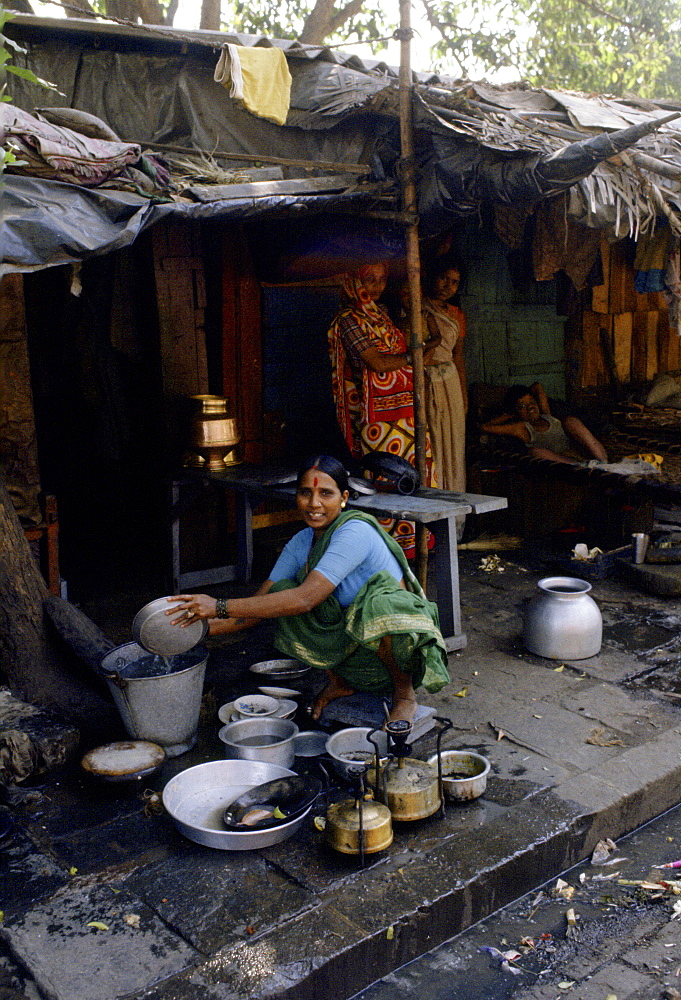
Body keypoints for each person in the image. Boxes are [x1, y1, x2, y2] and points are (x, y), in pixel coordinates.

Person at [167, 455, 449, 725]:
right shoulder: (301, 542)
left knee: (377, 603)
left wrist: (217, 605)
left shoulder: (355, 532)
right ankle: (338, 683)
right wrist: (185, 627)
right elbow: (256, 610)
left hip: (396, 654)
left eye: (326, 493)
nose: (314, 503)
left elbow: (305, 599)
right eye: (305, 493)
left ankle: (404, 695)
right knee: (283, 592)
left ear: (345, 498)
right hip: (355, 656)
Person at [327, 262, 438, 556]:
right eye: (369, 279)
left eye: (380, 280)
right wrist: (415, 357)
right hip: (379, 418)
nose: (375, 287)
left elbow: (398, 355)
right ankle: (385, 553)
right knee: (386, 480)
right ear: (353, 280)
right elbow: (377, 363)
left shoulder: (382, 316)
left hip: (408, 411)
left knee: (415, 478)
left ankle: (415, 550)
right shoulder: (348, 320)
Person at [421, 258, 468, 493]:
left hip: (450, 382)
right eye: (444, 279)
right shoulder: (417, 306)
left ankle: (456, 511)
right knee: (434, 441)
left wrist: (463, 394)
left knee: (454, 444)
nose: (448, 286)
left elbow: (458, 357)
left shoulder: (457, 314)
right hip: (426, 379)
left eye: (455, 283)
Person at [480, 382, 608, 464]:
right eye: (522, 406)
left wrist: (524, 395)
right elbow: (485, 427)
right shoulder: (522, 428)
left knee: (570, 421)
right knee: (534, 452)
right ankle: (580, 467)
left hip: (578, 450)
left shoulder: (546, 414)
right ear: (516, 411)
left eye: (531, 402)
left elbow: (538, 386)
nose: (530, 407)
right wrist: (510, 414)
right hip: (563, 460)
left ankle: (604, 463)